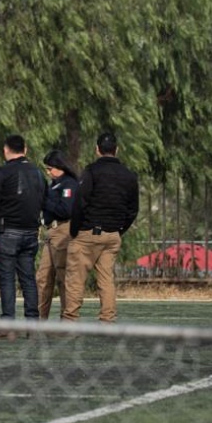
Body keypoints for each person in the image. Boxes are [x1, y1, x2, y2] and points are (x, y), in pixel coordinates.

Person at [62, 132, 139, 324]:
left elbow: (80, 202)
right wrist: (118, 230)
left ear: (97, 150)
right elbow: (133, 209)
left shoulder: (91, 172)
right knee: (106, 280)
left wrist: (75, 230)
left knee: (75, 279)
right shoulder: (129, 176)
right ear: (117, 150)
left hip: (88, 233)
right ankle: (107, 320)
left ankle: (70, 320)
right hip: (112, 235)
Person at [0, 134, 46, 337]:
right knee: (28, 279)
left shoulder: (1, 173)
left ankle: (7, 325)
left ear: (5, 150)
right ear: (25, 149)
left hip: (6, 232)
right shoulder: (38, 173)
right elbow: (45, 199)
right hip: (30, 232)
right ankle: (33, 325)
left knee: (7, 280)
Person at [36, 150, 79, 319]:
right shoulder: (54, 184)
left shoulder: (69, 185)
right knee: (43, 277)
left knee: (63, 277)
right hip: (51, 232)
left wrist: (45, 200)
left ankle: (67, 319)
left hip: (63, 232)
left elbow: (65, 210)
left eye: (50, 168)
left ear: (60, 167)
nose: (48, 172)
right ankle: (39, 318)